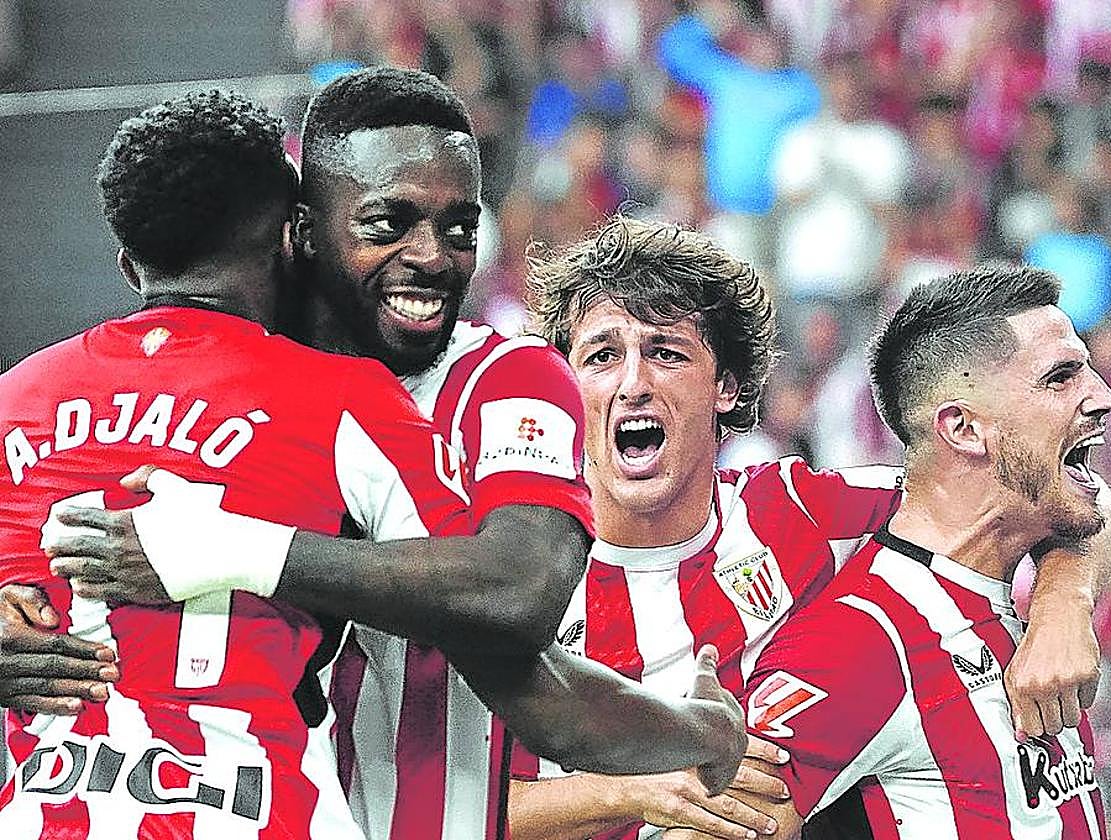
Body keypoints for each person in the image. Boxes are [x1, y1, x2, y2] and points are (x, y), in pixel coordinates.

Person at [8, 71, 748, 837]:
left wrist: (235, 550)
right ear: (302, 230)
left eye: (461, 230)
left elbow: (518, 595)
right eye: (387, 224)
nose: (431, 258)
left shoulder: (505, 379)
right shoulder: (275, 391)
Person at [504, 218, 1111, 840]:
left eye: (666, 352)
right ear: (566, 388)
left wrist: (1063, 607)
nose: (633, 383)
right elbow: (453, 805)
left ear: (725, 388)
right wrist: (639, 790)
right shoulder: (524, 582)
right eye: (602, 357)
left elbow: (1027, 492)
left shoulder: (799, 512)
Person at [678, 265, 1111, 838]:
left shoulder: (1016, 571)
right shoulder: (860, 644)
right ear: (963, 429)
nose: (1104, 397)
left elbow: (1094, 506)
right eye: (1061, 378)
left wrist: (1068, 601)